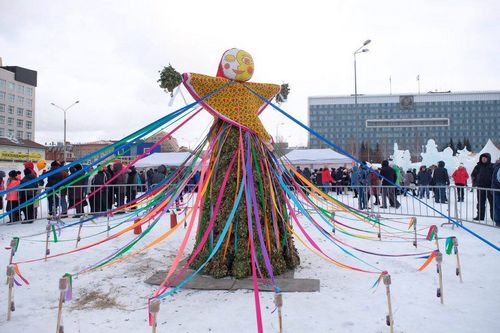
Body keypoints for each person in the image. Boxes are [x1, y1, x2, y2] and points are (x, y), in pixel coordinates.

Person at [471, 153, 494, 221]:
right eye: (482, 158)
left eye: (485, 158)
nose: (483, 159)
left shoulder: (492, 166)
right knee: (480, 202)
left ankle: (494, 217)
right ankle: (480, 216)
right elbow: (473, 175)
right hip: (480, 187)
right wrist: (475, 182)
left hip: (490, 188)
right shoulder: (478, 166)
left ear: (488, 158)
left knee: (492, 203)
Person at [492, 159, 500, 227]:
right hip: (497, 190)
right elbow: (495, 179)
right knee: (497, 206)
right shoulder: (497, 168)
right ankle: (498, 221)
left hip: (496, 189)